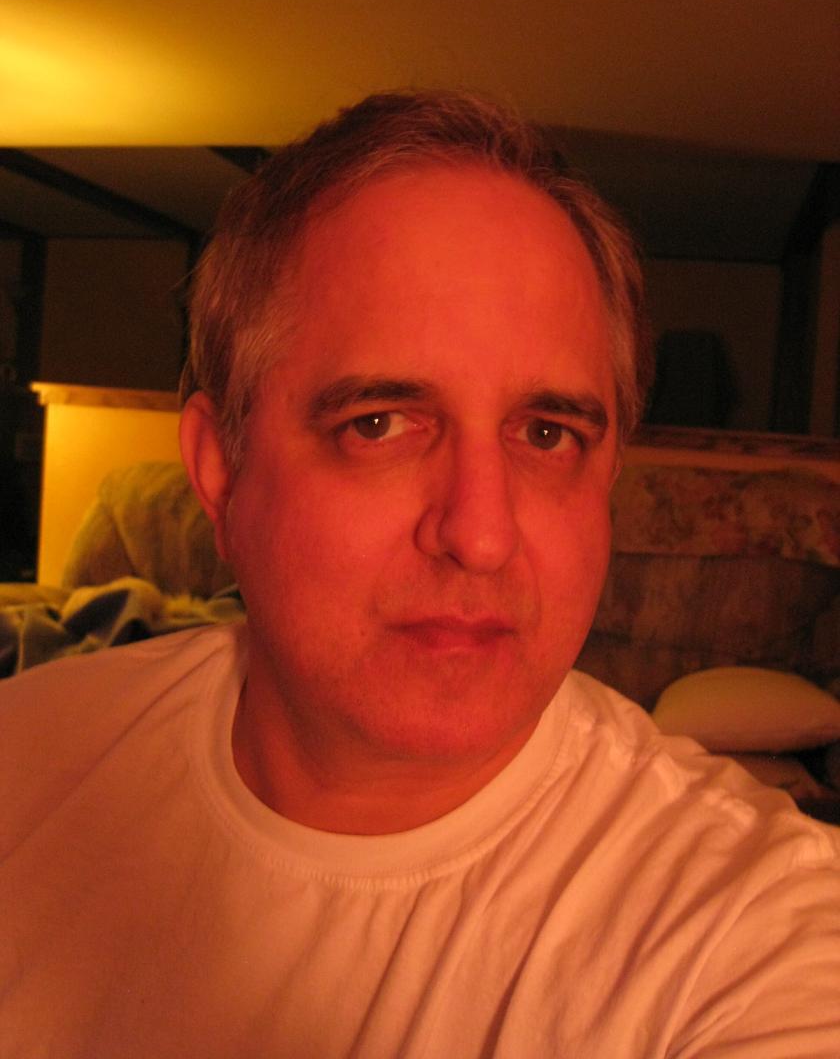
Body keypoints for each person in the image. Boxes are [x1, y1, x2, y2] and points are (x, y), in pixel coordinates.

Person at [1, 91, 838, 1058]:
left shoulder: (758, 935)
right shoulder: (28, 759)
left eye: (546, 434)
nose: (480, 536)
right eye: (379, 425)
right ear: (221, 470)